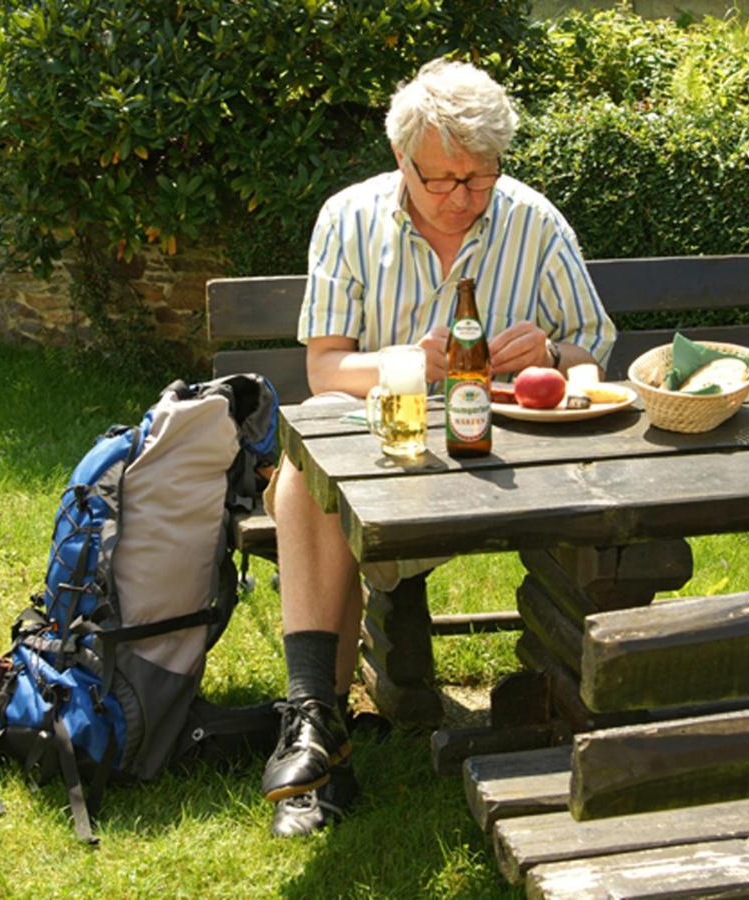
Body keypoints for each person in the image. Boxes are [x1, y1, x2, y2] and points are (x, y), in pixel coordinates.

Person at [260, 57, 617, 837]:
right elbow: (324, 368)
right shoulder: (349, 220)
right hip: (380, 450)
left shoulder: (535, 224)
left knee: (314, 492)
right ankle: (314, 722)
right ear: (401, 158)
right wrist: (405, 366)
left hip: (507, 470)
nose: (462, 199)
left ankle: (322, 739)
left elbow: (595, 360)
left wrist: (553, 358)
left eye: (480, 179)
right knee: (311, 481)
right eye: (441, 180)